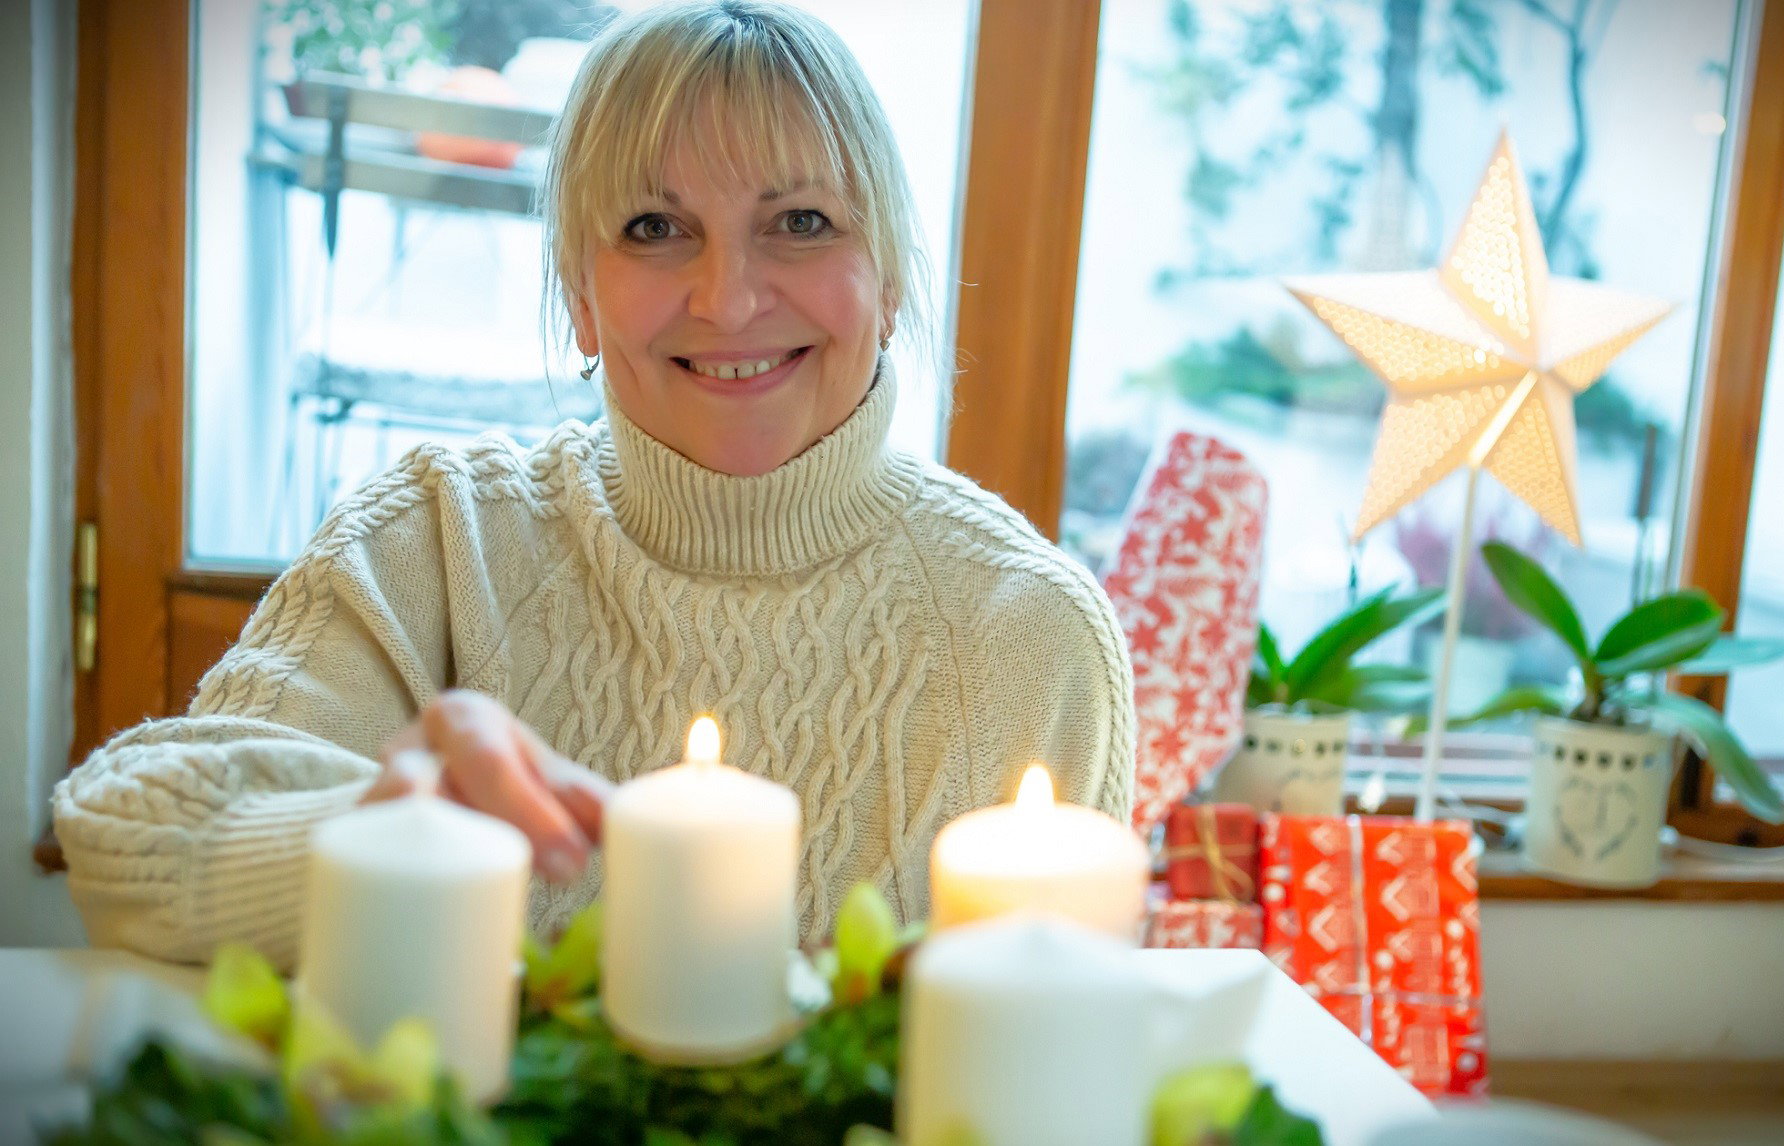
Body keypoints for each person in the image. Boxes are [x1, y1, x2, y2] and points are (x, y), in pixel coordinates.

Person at [53, 0, 1134, 969]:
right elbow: (125, 839)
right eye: (654, 229)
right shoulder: (437, 537)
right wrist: (363, 830)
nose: (729, 297)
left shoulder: (1031, 635)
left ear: (889, 280)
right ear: (580, 293)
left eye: (801, 221)